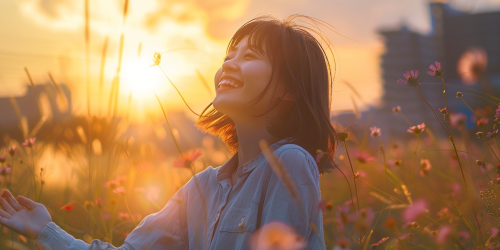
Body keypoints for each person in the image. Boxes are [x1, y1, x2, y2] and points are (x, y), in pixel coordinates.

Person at [0, 14, 337, 250]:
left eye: (250, 56)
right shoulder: (202, 188)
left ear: (290, 90)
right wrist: (44, 229)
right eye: (228, 55)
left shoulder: (289, 162)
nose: (228, 65)